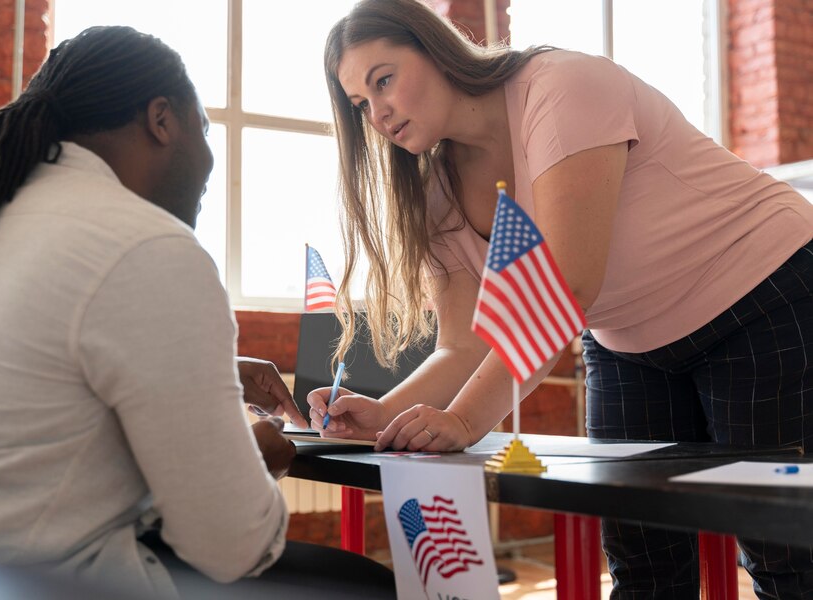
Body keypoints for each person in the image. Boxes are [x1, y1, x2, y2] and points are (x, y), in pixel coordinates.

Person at [309, 0, 813, 596]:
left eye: (384, 79)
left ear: (437, 49)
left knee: (786, 554)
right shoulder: (435, 188)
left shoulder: (561, 86)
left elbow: (566, 285)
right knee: (641, 562)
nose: (378, 112)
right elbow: (463, 342)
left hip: (761, 294)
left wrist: (466, 419)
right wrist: (381, 412)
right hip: (629, 339)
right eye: (361, 104)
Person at [0, 26, 394, 600]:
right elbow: (231, 543)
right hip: (50, 580)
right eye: (205, 129)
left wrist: (203, 366)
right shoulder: (145, 246)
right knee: (365, 586)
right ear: (161, 119)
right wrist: (260, 450)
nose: (210, 158)